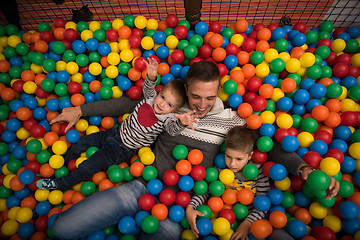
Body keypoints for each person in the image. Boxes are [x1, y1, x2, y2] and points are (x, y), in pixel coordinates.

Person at [50, 61, 339, 239]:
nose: (202, 104)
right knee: (61, 230)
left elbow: (270, 147)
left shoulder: (232, 120)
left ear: (219, 92)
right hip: (141, 185)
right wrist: (80, 109)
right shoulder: (171, 106)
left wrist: (304, 168)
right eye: (196, 96)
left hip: (178, 207)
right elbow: (128, 104)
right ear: (186, 90)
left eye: (210, 97)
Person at [37, 58, 197, 190]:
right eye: (162, 97)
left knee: (88, 166)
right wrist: (152, 75)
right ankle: (59, 164)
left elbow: (172, 129)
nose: (162, 104)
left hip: (121, 149)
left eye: (169, 105)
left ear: (174, 110)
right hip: (113, 132)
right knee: (81, 142)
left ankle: (59, 184)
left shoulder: (167, 120)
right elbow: (149, 87)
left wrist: (182, 123)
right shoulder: (150, 98)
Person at [186, 126, 270, 239]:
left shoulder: (259, 172)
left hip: (250, 222)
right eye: (228, 156)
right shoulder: (221, 169)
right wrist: (191, 206)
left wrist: (246, 225)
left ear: (250, 156)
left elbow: (263, 205)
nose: (232, 164)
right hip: (220, 219)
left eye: (239, 159)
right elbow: (206, 190)